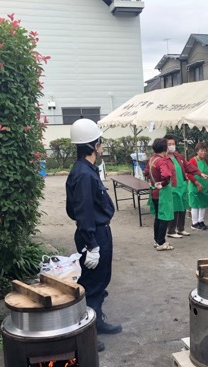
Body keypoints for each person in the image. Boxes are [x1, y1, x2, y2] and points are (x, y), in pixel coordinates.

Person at [65, 118, 122, 353]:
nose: (101, 146)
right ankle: (86, 333)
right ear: (94, 145)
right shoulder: (84, 174)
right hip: (94, 234)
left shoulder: (86, 170)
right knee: (91, 283)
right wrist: (92, 245)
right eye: (100, 142)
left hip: (98, 231)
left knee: (101, 280)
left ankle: (96, 321)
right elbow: (84, 211)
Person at [164, 134, 205, 239]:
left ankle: (181, 228)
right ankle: (171, 230)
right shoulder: (163, 158)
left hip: (182, 185)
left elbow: (188, 166)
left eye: (173, 144)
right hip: (171, 186)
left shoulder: (178, 156)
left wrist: (199, 173)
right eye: (169, 144)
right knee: (174, 208)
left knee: (182, 207)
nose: (171, 146)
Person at [143, 138, 175, 251]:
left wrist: (154, 181)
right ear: (165, 148)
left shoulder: (152, 159)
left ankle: (157, 240)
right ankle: (161, 242)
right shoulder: (162, 161)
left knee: (158, 217)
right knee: (164, 218)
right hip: (162, 193)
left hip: (154, 192)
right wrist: (163, 183)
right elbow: (166, 175)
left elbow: (146, 172)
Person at [187, 142, 208, 230]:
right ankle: (194, 223)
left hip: (204, 185)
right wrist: (196, 183)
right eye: (201, 151)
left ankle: (201, 221)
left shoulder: (205, 160)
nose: (203, 153)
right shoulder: (193, 161)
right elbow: (189, 174)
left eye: (205, 151)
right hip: (194, 185)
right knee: (195, 205)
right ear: (197, 151)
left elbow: (207, 172)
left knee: (203, 204)